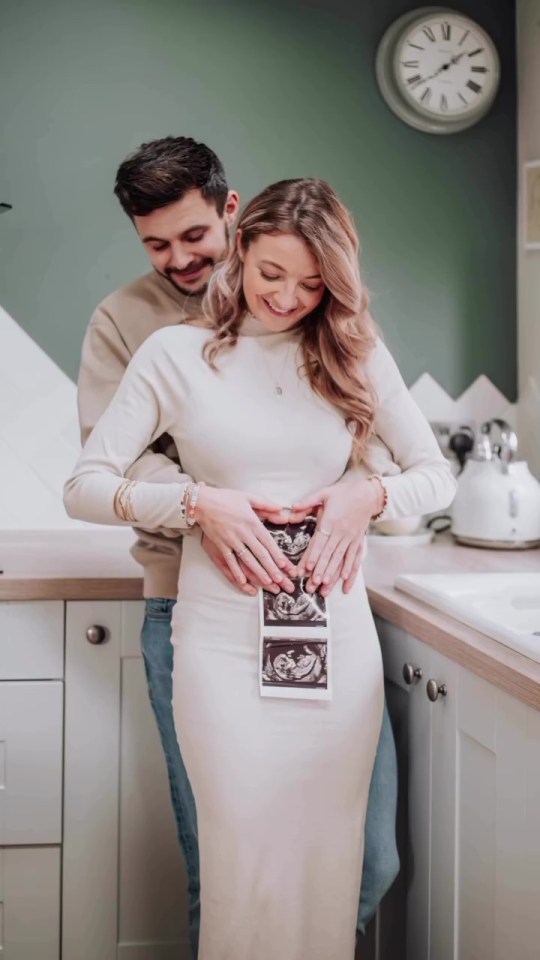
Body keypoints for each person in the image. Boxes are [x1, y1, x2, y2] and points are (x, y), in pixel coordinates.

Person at [66, 176, 456, 959]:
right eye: (271, 273)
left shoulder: (352, 350)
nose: (287, 297)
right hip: (221, 646)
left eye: (312, 283)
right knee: (241, 868)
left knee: (333, 867)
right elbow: (85, 485)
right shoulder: (174, 354)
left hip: (335, 645)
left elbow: (434, 475)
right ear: (240, 249)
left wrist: (366, 494)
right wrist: (198, 504)